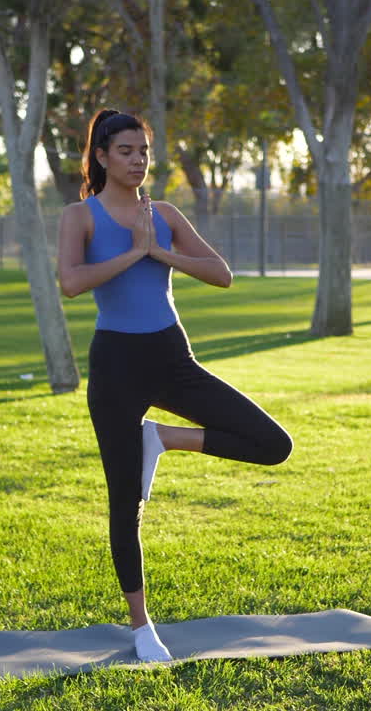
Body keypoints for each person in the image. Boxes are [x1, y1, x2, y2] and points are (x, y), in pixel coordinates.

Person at [57, 109, 293, 662]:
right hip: (115, 364)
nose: (137, 160)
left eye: (143, 151)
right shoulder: (81, 216)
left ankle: (161, 437)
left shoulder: (163, 213)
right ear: (100, 156)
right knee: (124, 502)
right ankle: (142, 628)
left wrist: (158, 249)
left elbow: (221, 273)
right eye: (125, 151)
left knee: (273, 445)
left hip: (171, 356)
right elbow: (70, 282)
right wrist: (132, 252)